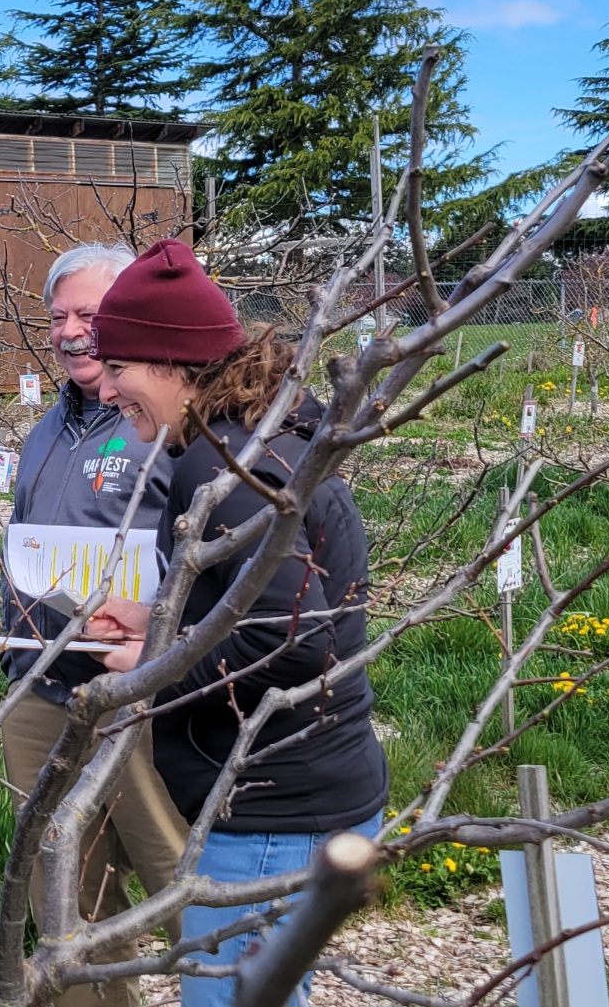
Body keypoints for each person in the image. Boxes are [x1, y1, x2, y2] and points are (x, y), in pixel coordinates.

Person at [86, 239, 388, 1007]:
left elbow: (293, 638)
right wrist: (162, 618)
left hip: (269, 808)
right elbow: (260, 599)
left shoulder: (227, 467)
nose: (108, 387)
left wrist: (151, 668)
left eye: (118, 367)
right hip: (302, 788)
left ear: (171, 363)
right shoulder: (260, 437)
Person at [0, 243, 189, 1007]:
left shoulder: (162, 425)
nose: (73, 331)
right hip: (38, 691)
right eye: (59, 316)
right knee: (66, 896)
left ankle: (252, 988)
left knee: (178, 877)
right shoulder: (44, 431)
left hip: (139, 697)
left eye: (90, 314)